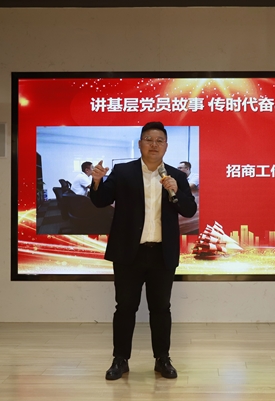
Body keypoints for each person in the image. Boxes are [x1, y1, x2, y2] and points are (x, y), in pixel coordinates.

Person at [89, 122, 197, 381]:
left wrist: (175, 190)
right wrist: (97, 180)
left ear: (166, 146)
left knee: (161, 308)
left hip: (162, 253)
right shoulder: (123, 172)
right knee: (125, 308)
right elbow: (101, 200)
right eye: (148, 139)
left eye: (159, 140)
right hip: (129, 253)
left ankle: (162, 359)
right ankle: (120, 359)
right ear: (140, 144)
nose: (154, 145)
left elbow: (189, 210)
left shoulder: (176, 176)